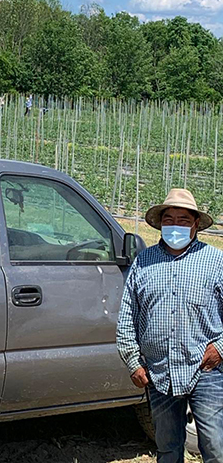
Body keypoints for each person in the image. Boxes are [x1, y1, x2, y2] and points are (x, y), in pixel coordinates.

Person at [116, 188, 223, 463]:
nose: (175, 226)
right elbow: (127, 314)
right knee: (167, 448)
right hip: (159, 372)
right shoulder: (144, 262)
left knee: (215, 447)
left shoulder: (215, 262)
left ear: (196, 224)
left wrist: (220, 349)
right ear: (160, 223)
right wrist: (133, 362)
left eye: (183, 220)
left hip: (206, 370)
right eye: (169, 219)